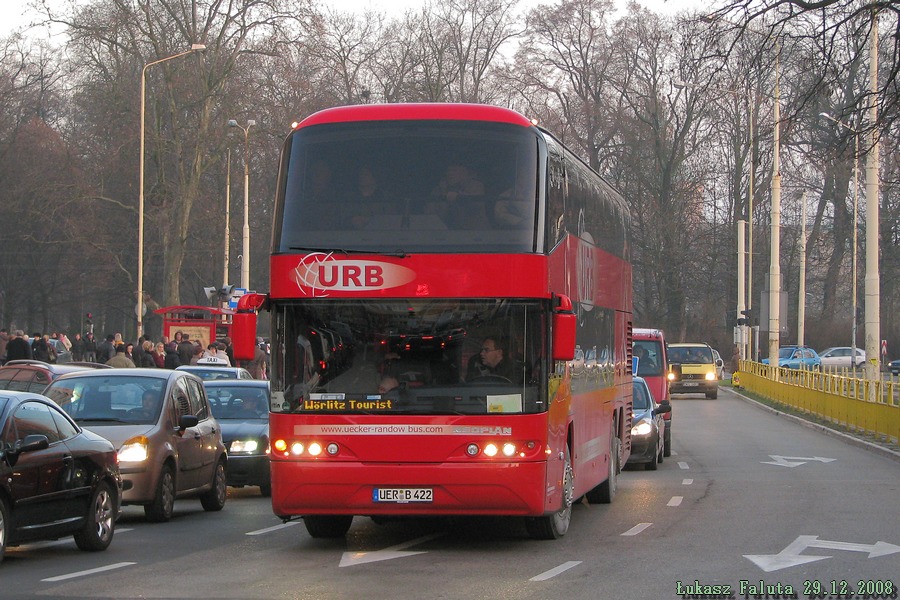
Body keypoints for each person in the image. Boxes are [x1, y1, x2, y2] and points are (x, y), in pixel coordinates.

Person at [427, 162, 485, 228]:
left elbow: (475, 207)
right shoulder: (438, 190)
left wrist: (459, 197)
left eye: (454, 170)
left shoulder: (476, 185)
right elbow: (430, 215)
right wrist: (444, 194)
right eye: (448, 171)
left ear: (465, 173)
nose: (449, 173)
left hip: (476, 233)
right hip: (444, 234)